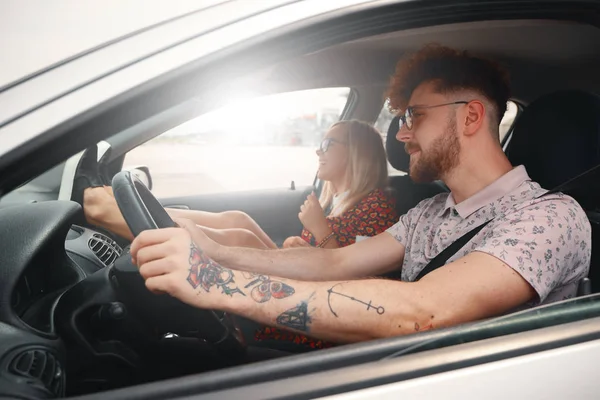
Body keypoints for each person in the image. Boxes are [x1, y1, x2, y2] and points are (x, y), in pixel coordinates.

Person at [128, 44, 591, 345]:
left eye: (414, 117)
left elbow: (423, 314)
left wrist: (215, 284)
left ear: (470, 117)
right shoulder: (429, 212)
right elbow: (334, 262)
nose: (403, 135)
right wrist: (214, 251)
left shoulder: (549, 218)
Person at [83, 121, 398, 251]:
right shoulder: (339, 199)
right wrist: (301, 245)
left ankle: (119, 215)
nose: (319, 149)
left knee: (238, 236)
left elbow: (359, 276)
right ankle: (131, 209)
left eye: (329, 143)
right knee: (238, 219)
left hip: (317, 296)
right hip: (305, 273)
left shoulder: (376, 206)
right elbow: (328, 253)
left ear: (357, 153)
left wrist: (319, 230)